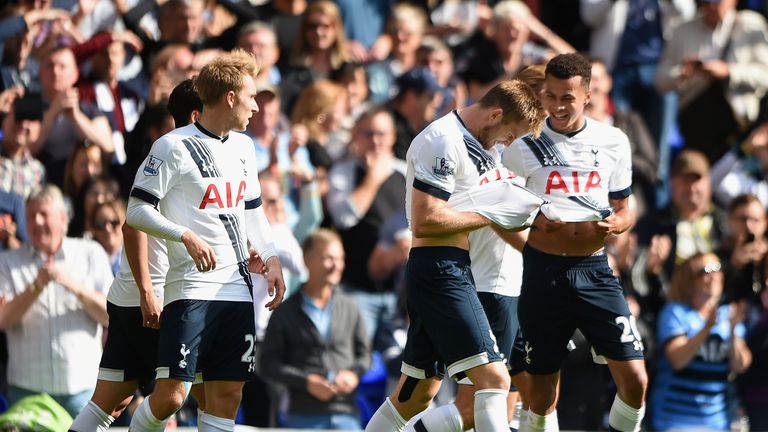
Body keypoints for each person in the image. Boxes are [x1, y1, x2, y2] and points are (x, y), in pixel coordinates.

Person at [364, 79, 545, 432]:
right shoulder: (442, 140)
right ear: (495, 114)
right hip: (438, 271)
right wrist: (494, 212)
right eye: (511, 134)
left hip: (454, 269)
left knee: (415, 396)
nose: (509, 143)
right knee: (494, 378)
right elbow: (425, 220)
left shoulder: (485, 146)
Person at [125, 49, 286, 431]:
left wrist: (272, 256)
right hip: (191, 288)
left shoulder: (245, 148)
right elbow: (135, 211)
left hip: (237, 290)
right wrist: (184, 234)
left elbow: (252, 211)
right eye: (251, 98)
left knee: (227, 395)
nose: (256, 108)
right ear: (230, 97)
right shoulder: (172, 146)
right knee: (171, 396)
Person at [501, 53, 647, 432]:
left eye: (567, 97)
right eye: (550, 96)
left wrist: (617, 224)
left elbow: (625, 209)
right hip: (542, 272)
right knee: (542, 396)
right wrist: (533, 219)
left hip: (594, 269)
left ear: (587, 95)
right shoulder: (522, 146)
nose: (557, 106)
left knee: (635, 381)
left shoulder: (613, 140)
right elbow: (500, 208)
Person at [68, 78, 205, 431]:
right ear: (197, 114)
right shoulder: (176, 154)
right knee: (188, 395)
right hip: (155, 302)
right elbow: (132, 226)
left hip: (135, 297)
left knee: (110, 404)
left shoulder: (186, 156)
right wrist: (148, 293)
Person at [0, 184, 112, 417]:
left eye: (44, 214)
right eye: (31, 216)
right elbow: (3, 320)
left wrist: (72, 285)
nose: (37, 222)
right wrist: (36, 287)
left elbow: (110, 315)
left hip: (83, 389)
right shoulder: (8, 262)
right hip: (27, 391)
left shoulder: (91, 253)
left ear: (62, 218)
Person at [260, 228, 371, 430]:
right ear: (308, 260)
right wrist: (306, 382)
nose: (337, 265)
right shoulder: (286, 312)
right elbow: (267, 363)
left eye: (340, 258)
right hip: (303, 415)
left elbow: (365, 355)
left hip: (346, 413)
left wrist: (353, 374)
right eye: (329, 258)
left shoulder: (350, 306)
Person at [650, 252, 752, 431]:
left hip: (717, 423)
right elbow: (678, 360)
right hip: (674, 421)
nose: (713, 276)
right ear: (690, 279)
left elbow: (741, 365)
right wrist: (705, 329)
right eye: (706, 270)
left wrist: (733, 331)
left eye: (717, 268)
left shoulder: (729, 316)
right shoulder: (676, 313)